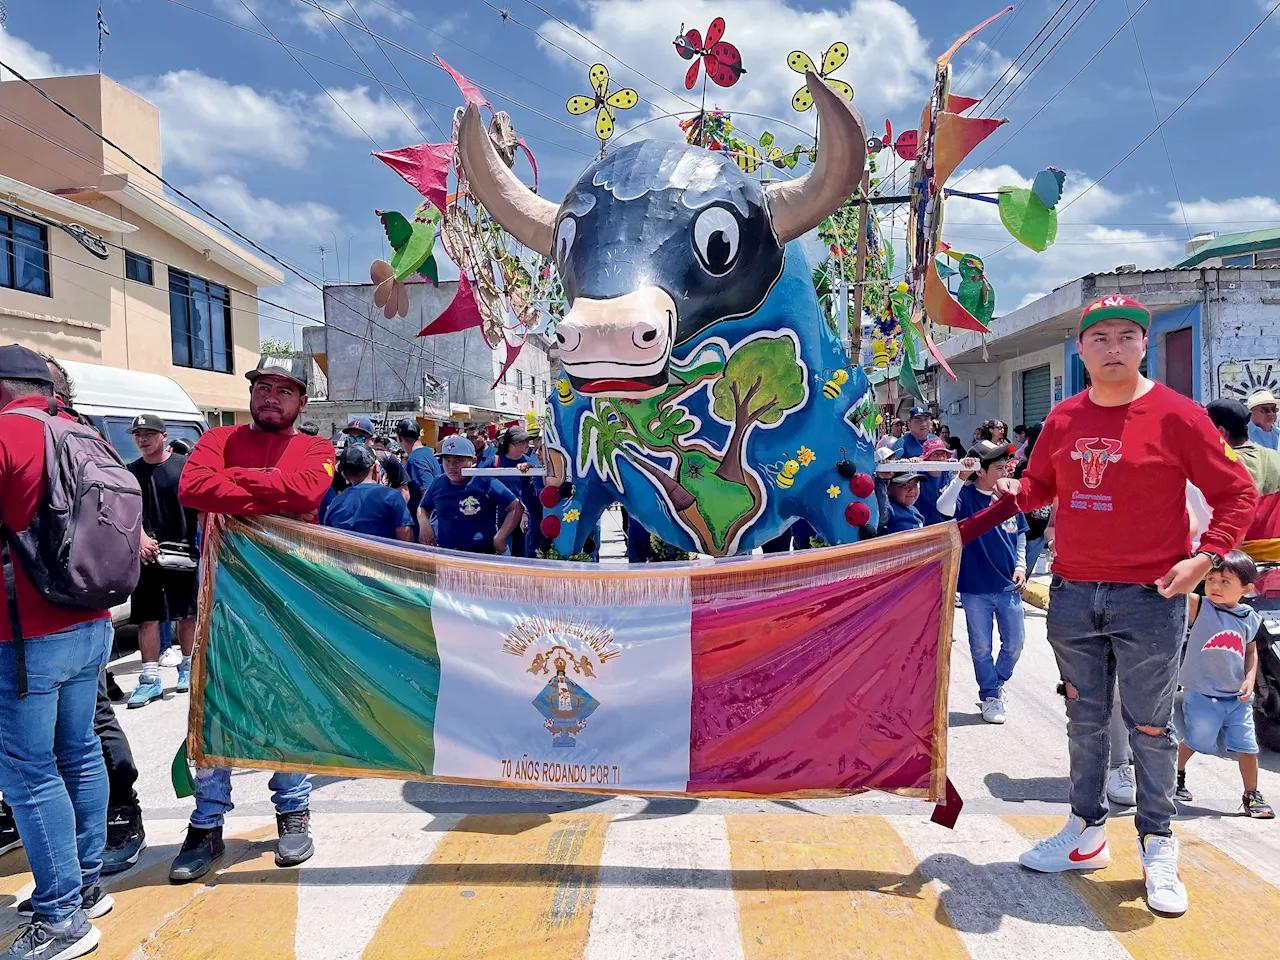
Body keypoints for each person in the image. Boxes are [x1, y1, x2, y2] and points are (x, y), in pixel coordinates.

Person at [996, 295, 1257, 916]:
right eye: (1100, 338)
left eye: (1126, 336)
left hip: (1150, 598)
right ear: (1081, 349)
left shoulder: (1177, 416)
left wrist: (1206, 557)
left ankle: (1157, 844)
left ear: (1144, 345)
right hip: (1073, 595)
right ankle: (1085, 834)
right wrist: (1015, 489)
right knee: (1085, 723)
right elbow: (1042, 487)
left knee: (1149, 726)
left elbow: (1236, 493)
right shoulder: (1061, 418)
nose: (1113, 347)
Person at [173, 355, 334, 883]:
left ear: (301, 401)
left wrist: (237, 484)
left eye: (283, 391)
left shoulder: (316, 447)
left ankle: (293, 808)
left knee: (290, 699)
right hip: (225, 599)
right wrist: (273, 485)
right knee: (217, 702)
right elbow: (193, 488)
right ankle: (207, 822)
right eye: (263, 387)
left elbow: (308, 492)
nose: (271, 397)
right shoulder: (216, 441)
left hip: (292, 599)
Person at [0, 345, 116, 959]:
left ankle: (61, 917)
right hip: (90, 618)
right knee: (78, 751)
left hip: (24, 631)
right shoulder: (83, 433)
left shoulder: (6, 434)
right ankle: (84, 885)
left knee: (27, 769)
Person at [41, 355, 146, 876]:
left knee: (78, 734)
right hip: (90, 609)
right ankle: (110, 822)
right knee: (83, 730)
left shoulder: (43, 441)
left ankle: (116, 817)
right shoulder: (89, 441)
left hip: (49, 616)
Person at [1172, 550, 1274, 818]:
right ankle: (1175, 773)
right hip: (1202, 694)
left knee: (1248, 747)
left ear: (1247, 588)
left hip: (1237, 698)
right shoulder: (1201, 606)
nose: (1215, 586)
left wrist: (1249, 679)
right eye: (1210, 579)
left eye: (1225, 581)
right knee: (1197, 740)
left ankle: (1251, 795)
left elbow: (1250, 651)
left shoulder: (1250, 617)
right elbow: (1180, 589)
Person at [937, 441, 1026, 724]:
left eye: (1006, 467)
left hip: (1007, 586)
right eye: (998, 468)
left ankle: (995, 684)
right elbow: (944, 507)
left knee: (1015, 643)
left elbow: (1020, 534)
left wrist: (1022, 566)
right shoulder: (966, 497)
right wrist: (959, 479)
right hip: (975, 587)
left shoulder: (1009, 498)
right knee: (981, 647)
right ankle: (990, 695)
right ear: (981, 471)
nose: (1005, 472)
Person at [124, 415, 199, 709]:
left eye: (149, 434)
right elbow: (127, 512)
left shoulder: (185, 468)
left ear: (164, 436)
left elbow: (201, 511)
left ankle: (188, 667)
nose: (142, 439)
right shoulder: (130, 472)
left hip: (181, 556)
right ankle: (150, 678)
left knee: (187, 615)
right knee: (147, 618)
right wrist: (140, 537)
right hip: (146, 557)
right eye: (138, 434)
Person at [419, 435, 523, 554]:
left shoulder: (484, 481)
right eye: (447, 460)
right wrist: (424, 523)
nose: (451, 466)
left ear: (473, 461)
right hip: (446, 553)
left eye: (458, 460)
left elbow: (515, 507)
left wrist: (500, 537)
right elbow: (423, 507)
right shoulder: (438, 482)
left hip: (481, 554)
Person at [323, 445, 414, 541]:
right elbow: (406, 538)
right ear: (376, 468)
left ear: (345, 475)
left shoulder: (335, 503)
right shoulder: (392, 497)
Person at [479, 426, 544, 557]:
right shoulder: (495, 461)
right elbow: (480, 482)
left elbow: (535, 490)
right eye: (523, 441)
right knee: (503, 555)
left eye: (527, 441)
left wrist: (525, 511)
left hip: (524, 518)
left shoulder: (529, 462)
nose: (527, 444)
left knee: (523, 556)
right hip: (500, 517)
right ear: (511, 443)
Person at [1014, 424, 1050, 576]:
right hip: (1026, 529)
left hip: (1043, 529)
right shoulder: (1024, 464)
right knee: (1018, 575)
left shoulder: (1055, 463)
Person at [398, 417, 439, 535]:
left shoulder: (416, 460)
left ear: (399, 438)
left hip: (425, 529)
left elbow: (428, 494)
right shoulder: (426, 453)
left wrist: (425, 526)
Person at [915, 437, 955, 526]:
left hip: (947, 525)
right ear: (927, 458)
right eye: (936, 454)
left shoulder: (949, 472)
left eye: (943, 454)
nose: (941, 458)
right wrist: (911, 463)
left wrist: (957, 468)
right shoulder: (918, 473)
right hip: (924, 526)